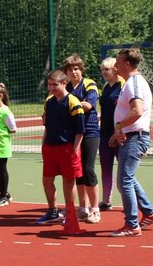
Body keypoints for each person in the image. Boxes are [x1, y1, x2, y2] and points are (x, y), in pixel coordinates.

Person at [110, 48, 153, 237]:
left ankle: (131, 225)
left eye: (118, 61)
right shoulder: (131, 82)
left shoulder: (134, 83)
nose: (115, 65)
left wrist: (118, 126)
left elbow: (136, 111)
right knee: (128, 179)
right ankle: (149, 212)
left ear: (127, 64)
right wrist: (118, 132)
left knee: (124, 181)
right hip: (131, 135)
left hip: (135, 137)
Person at [37, 70, 84, 226]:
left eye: (54, 85)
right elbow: (47, 126)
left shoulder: (73, 102)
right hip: (50, 147)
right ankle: (52, 211)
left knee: (68, 182)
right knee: (46, 180)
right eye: (49, 84)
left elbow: (79, 131)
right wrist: (43, 145)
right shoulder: (49, 101)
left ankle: (70, 213)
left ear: (64, 83)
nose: (51, 88)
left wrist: (75, 150)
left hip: (67, 148)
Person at [64, 55, 102, 223]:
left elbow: (89, 105)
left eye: (77, 68)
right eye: (71, 69)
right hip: (72, 133)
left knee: (88, 169)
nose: (74, 72)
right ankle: (83, 208)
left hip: (90, 132)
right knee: (77, 171)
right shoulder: (66, 87)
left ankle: (95, 209)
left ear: (81, 69)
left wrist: (69, 107)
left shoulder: (89, 84)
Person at [98, 57, 125, 212]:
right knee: (106, 168)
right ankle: (106, 201)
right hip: (105, 134)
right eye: (102, 70)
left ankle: (128, 200)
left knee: (124, 170)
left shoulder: (124, 85)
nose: (104, 72)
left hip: (121, 134)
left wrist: (120, 130)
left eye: (107, 69)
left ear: (115, 69)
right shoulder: (106, 87)